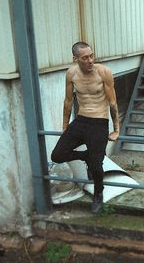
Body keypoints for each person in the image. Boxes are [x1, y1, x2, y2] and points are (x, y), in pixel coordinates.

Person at [51, 41, 119, 213]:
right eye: (85, 58)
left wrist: (116, 129)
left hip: (99, 122)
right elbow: (68, 101)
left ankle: (98, 193)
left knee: (97, 166)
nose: (90, 60)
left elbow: (113, 103)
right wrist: (65, 126)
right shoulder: (71, 74)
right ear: (75, 59)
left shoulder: (104, 72)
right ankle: (86, 156)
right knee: (57, 155)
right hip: (81, 121)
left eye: (91, 56)